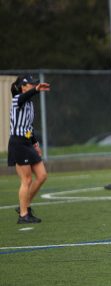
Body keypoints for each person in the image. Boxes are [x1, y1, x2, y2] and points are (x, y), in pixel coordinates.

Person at [8, 74, 51, 223]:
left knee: (42, 176)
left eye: (34, 84)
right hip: (18, 143)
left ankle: (23, 207)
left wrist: (35, 144)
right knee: (26, 179)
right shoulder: (17, 100)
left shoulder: (30, 104)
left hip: (27, 142)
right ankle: (23, 215)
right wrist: (37, 90)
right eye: (30, 84)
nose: (33, 85)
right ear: (22, 87)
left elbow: (29, 127)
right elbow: (22, 98)